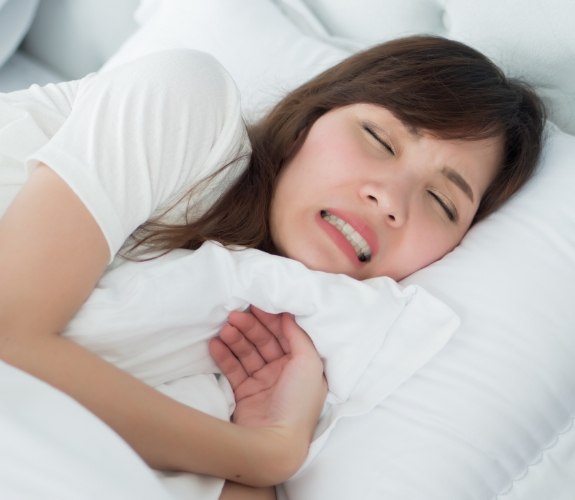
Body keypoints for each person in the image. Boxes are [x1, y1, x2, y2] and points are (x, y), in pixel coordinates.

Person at [0, 35, 545, 499]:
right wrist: (264, 455)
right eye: (380, 139)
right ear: (311, 118)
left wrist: (269, 440)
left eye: (442, 202)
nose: (391, 199)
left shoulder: (278, 345)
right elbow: (10, 336)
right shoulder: (189, 104)